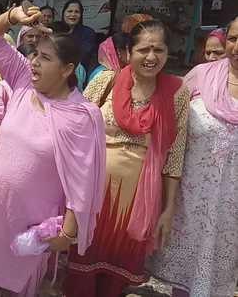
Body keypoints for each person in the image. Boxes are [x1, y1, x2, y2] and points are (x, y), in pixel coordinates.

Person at [0, 6, 106, 296]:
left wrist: (67, 233)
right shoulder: (22, 82)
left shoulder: (82, 115)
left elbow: (82, 182)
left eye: (45, 58)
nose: (33, 63)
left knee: (18, 288)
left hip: (31, 226)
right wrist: (11, 17)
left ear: (67, 69)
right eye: (34, 55)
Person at [65, 20, 190, 297]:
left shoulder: (177, 93)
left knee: (118, 279)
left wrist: (168, 210)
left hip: (138, 203)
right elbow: (74, 127)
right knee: (82, 269)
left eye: (159, 50)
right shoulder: (106, 81)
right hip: (94, 196)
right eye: (143, 49)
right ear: (128, 52)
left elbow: (174, 157)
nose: (151, 57)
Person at [148, 18, 238, 297]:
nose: (237, 47)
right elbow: (171, 135)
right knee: (181, 281)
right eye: (233, 38)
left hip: (230, 212)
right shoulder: (201, 76)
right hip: (187, 202)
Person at [62, 0, 97, 71]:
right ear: (64, 13)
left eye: (77, 12)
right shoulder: (56, 30)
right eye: (70, 11)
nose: (73, 14)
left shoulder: (88, 33)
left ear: (81, 15)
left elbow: (84, 55)